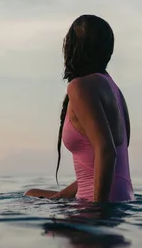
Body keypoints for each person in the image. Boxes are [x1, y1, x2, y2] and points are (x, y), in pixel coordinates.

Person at [24, 14, 135, 202]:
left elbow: (107, 152)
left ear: (72, 48)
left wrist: (98, 213)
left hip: (97, 205)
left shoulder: (80, 87)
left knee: (37, 226)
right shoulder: (114, 90)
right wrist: (60, 196)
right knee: (31, 194)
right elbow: (103, 164)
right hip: (124, 198)